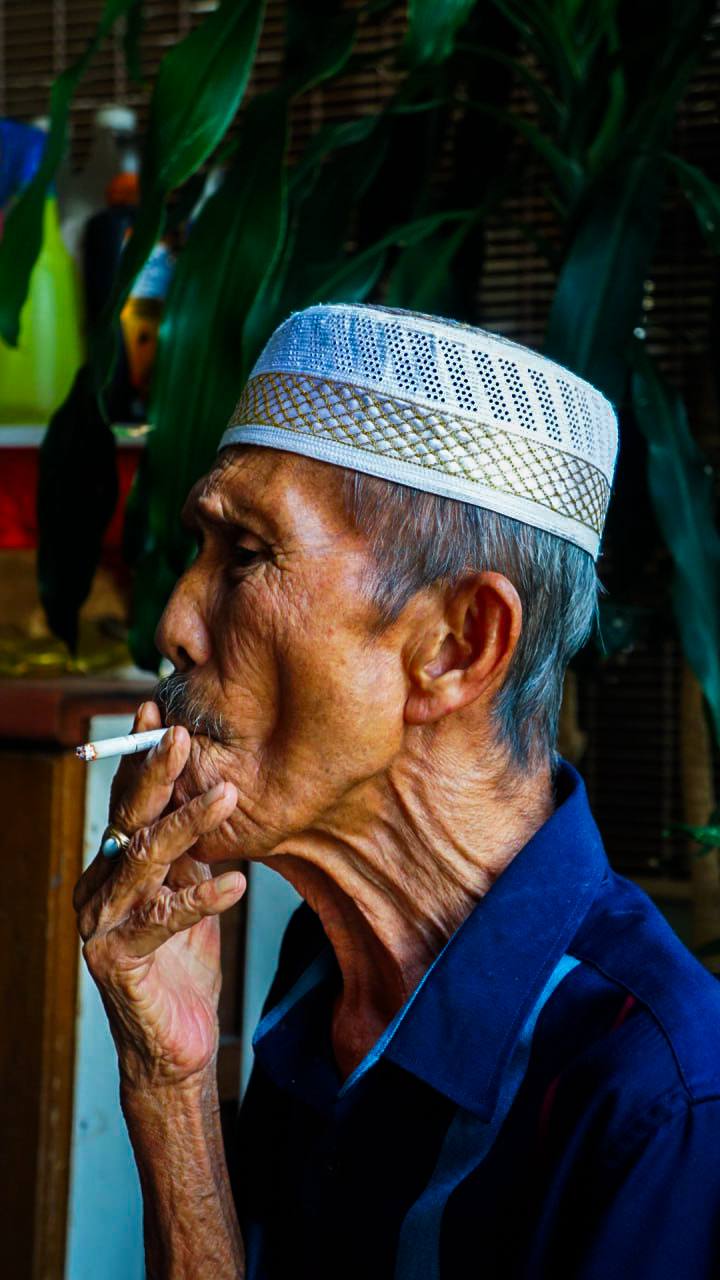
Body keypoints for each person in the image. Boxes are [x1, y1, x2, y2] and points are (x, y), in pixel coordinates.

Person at [74, 304, 720, 1279]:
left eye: (245, 554)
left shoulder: (661, 1102)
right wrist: (171, 1086)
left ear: (457, 646)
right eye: (200, 550)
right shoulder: (323, 973)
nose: (176, 624)